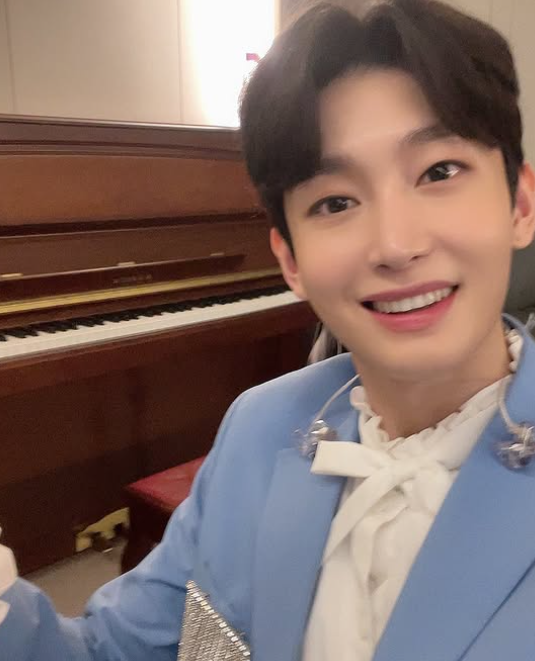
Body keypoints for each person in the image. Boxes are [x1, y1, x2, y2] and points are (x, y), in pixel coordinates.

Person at [2, 0, 535, 659]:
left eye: (438, 172)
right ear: (289, 260)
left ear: (519, 203)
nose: (396, 245)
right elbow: (119, 648)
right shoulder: (260, 427)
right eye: (334, 202)